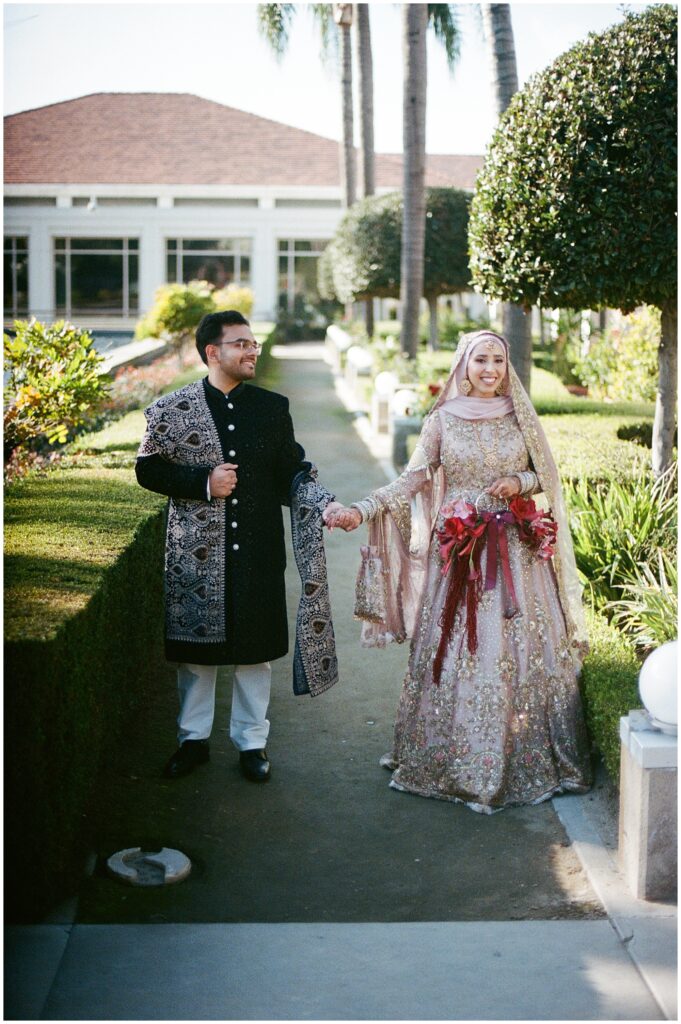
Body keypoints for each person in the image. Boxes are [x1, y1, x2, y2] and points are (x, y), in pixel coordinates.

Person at [327, 330, 592, 813]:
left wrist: (520, 481)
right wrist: (364, 510)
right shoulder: (443, 419)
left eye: (497, 360)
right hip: (461, 554)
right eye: (480, 360)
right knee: (464, 647)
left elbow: (546, 475)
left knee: (518, 647)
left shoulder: (519, 416)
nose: (490, 369)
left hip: (515, 552)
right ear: (463, 366)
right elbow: (413, 478)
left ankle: (519, 754)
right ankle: (453, 756)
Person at [136, 310, 341, 783]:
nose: (253, 351)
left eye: (254, 344)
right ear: (214, 352)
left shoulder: (272, 408)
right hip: (195, 552)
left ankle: (252, 743)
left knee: (255, 653)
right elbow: (147, 469)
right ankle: (192, 741)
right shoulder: (172, 409)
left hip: (257, 548)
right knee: (196, 654)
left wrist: (324, 503)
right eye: (242, 344)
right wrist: (202, 482)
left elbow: (291, 468)